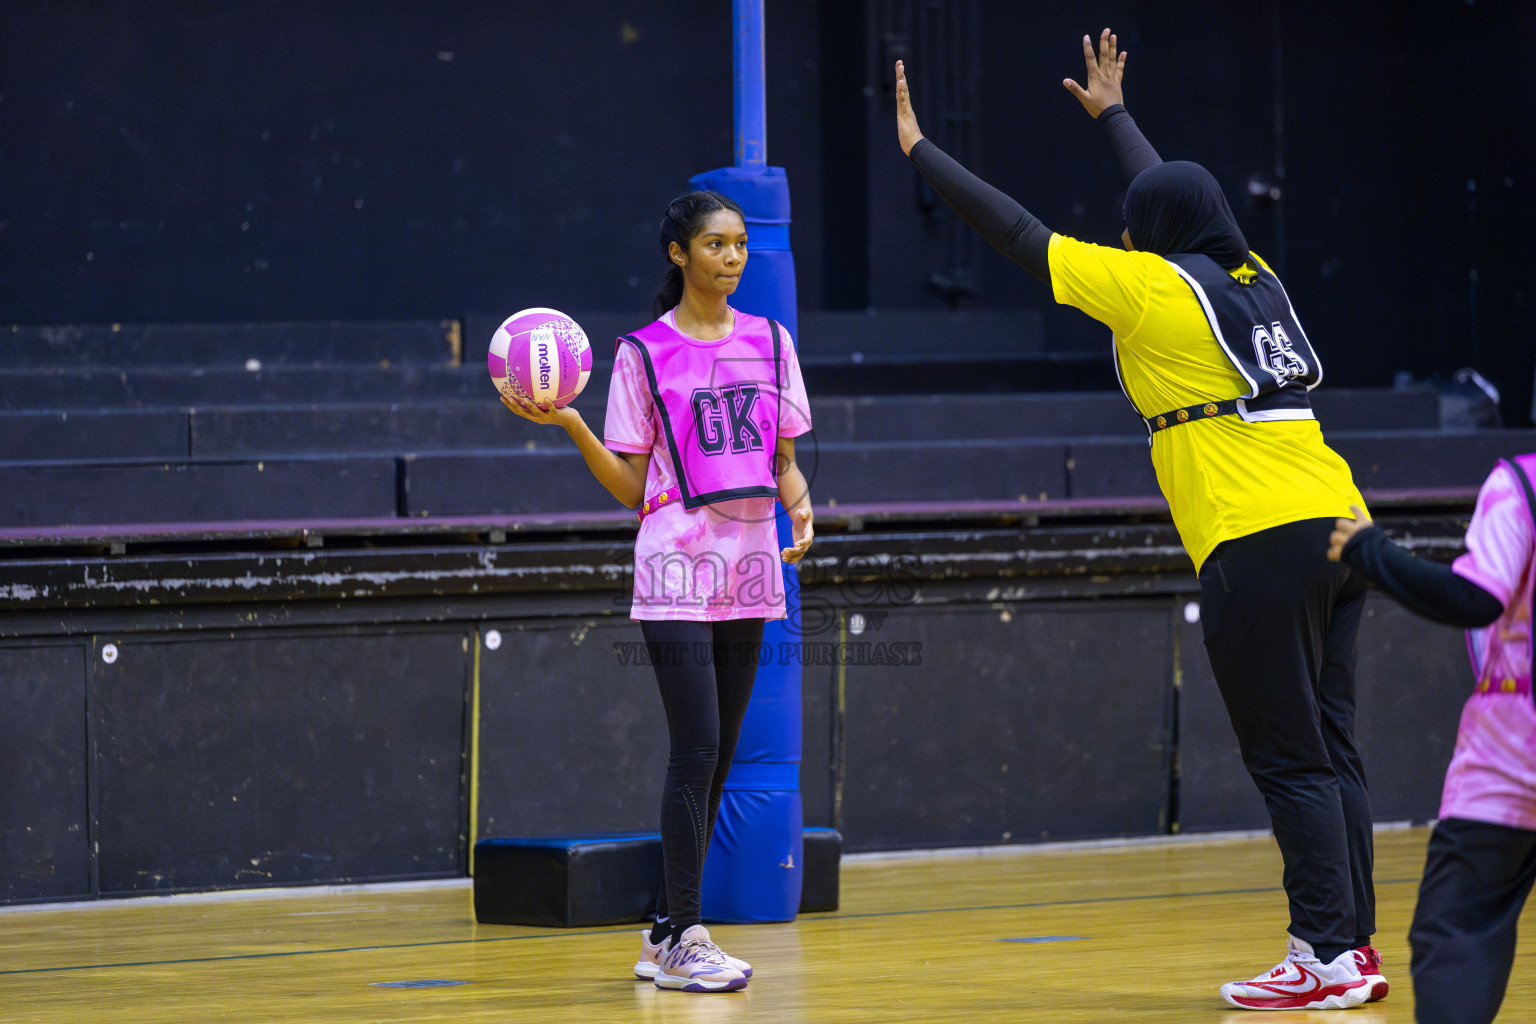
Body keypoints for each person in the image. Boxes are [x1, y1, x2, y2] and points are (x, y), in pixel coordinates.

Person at [894, 30, 1386, 1010]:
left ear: (1150, 234)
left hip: (1259, 534)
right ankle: (1354, 949)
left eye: (1134, 224)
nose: (1127, 232)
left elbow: (1019, 232)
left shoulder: (1153, 288)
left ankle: (1322, 955)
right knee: (1334, 748)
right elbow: (1174, 197)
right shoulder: (1251, 278)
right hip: (1342, 520)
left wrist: (919, 149)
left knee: (1290, 757)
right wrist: (1115, 116)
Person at [500, 189, 814, 993]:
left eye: (741, 244)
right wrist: (572, 425)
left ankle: (665, 933)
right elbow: (630, 485)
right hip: (675, 562)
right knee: (697, 746)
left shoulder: (772, 342)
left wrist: (801, 503)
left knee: (721, 758)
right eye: (716, 245)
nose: (733, 258)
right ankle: (686, 935)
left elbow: (779, 457)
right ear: (679, 255)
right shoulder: (642, 353)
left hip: (750, 562)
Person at [1329, 456, 1536, 1024]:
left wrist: (1371, 551)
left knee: (1457, 926)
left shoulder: (1521, 483)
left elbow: (1475, 598)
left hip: (1515, 748)